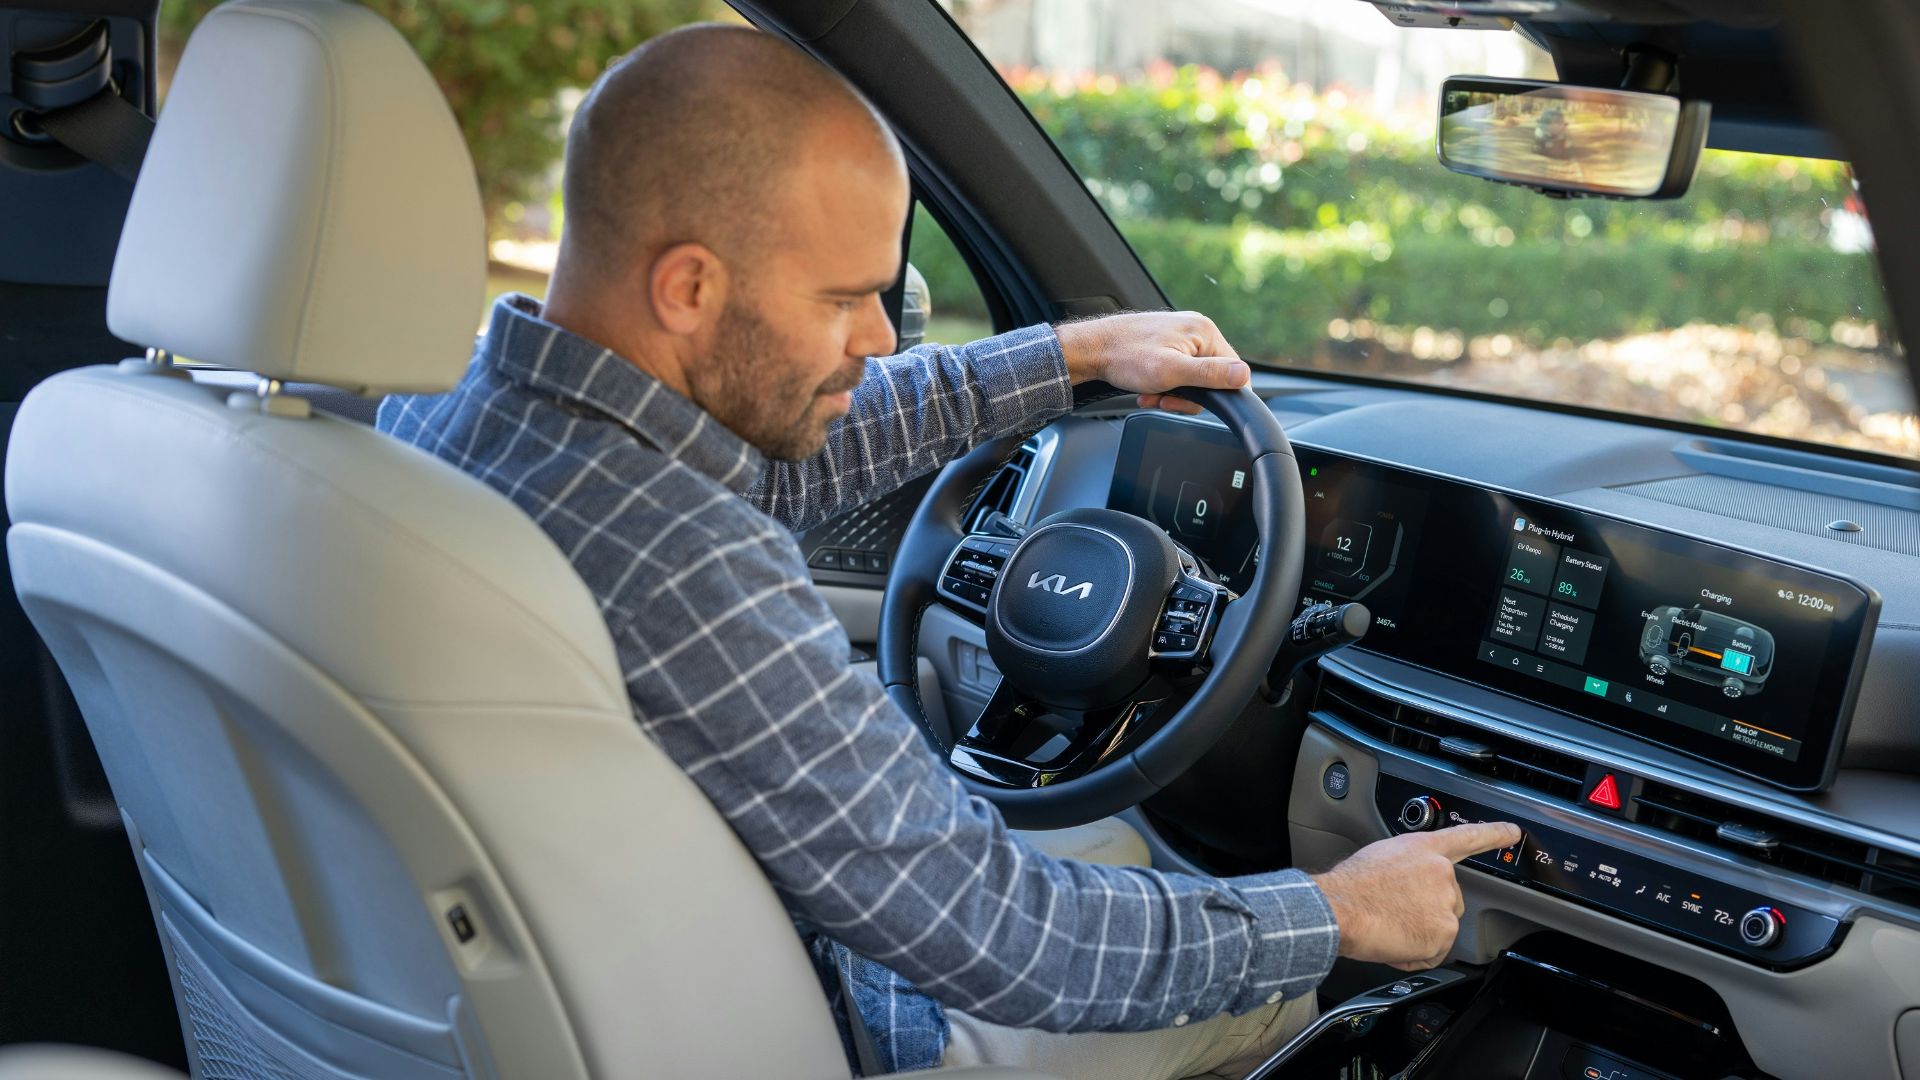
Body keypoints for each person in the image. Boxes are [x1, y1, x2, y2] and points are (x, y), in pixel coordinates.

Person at [378, 23, 1519, 1080]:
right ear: (688, 288)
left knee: (1118, 850)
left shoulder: (456, 412)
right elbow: (1004, 939)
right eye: (842, 300)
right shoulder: (686, 561)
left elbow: (780, 455)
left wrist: (1073, 353)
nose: (877, 338)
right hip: (838, 1025)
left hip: (590, 976)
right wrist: (1338, 914)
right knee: (1297, 992)